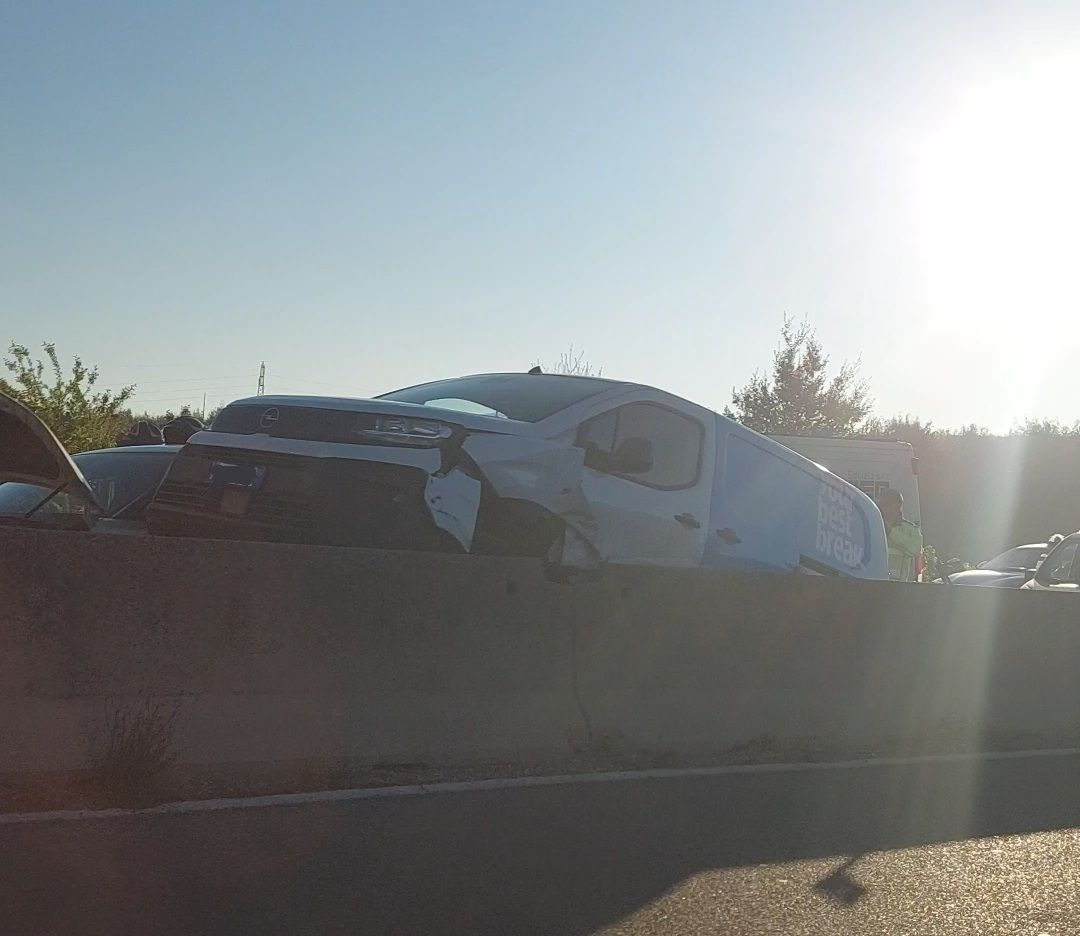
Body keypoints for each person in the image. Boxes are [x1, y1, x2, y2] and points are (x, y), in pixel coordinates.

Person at [877, 488, 923, 582]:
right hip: (874, 581)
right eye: (882, 504)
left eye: (888, 504)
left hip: (899, 586)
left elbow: (915, 549)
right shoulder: (874, 525)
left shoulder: (910, 529)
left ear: (898, 506)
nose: (884, 508)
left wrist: (891, 532)